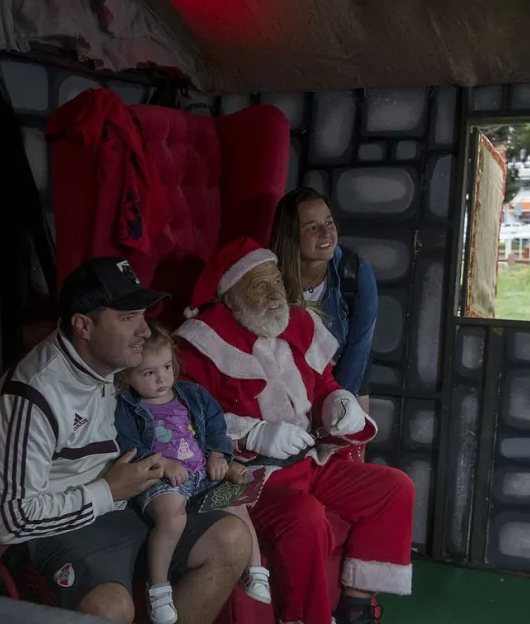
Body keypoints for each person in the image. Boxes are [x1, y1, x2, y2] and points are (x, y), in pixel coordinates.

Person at [0, 257, 250, 624]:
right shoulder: (31, 396)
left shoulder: (119, 367)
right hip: (53, 530)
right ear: (83, 326)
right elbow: (7, 522)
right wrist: (108, 491)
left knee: (232, 539)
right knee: (111, 608)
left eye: (142, 314)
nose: (144, 330)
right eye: (127, 318)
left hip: (121, 507)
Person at [174, 237, 414, 624]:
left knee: (395, 488)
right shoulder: (199, 344)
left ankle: (355, 605)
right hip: (244, 478)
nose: (275, 295)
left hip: (309, 462)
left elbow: (323, 385)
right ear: (232, 295)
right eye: (260, 285)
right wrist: (252, 433)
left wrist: (340, 403)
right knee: (304, 515)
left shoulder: (297, 325)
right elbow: (185, 422)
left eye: (277, 282)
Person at [115, 321, 271, 624]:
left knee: (236, 501)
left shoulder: (193, 394)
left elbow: (215, 426)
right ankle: (158, 588)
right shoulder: (126, 407)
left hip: (199, 474)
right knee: (172, 516)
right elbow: (128, 447)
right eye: (149, 373)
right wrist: (163, 464)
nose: (161, 379)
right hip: (160, 480)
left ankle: (254, 571)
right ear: (126, 376)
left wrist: (217, 453)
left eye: (166, 368)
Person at [269, 188, 378, 409]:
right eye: (311, 227)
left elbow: (359, 347)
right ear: (291, 235)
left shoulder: (355, 272)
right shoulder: (268, 274)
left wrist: (338, 403)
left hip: (343, 376)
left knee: (352, 432)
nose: (326, 232)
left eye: (328, 222)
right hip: (289, 382)